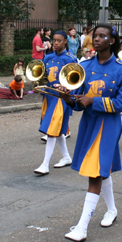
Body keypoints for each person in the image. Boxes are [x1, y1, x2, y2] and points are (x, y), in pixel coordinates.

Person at [59, 24, 122, 242]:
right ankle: (111, 210)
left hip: (108, 125)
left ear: (112, 41)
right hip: (89, 124)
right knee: (102, 169)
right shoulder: (84, 66)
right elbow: (80, 103)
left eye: (102, 36)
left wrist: (94, 100)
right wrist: (69, 99)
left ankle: (82, 227)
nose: (97, 39)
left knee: (94, 173)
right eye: (95, 36)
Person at [34, 31, 76, 175]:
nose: (56, 43)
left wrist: (67, 88)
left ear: (65, 41)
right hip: (49, 96)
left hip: (61, 98)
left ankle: (45, 164)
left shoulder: (71, 59)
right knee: (57, 130)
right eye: (54, 40)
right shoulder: (48, 57)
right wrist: (39, 83)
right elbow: (44, 76)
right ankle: (66, 157)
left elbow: (75, 80)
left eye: (59, 40)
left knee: (51, 129)